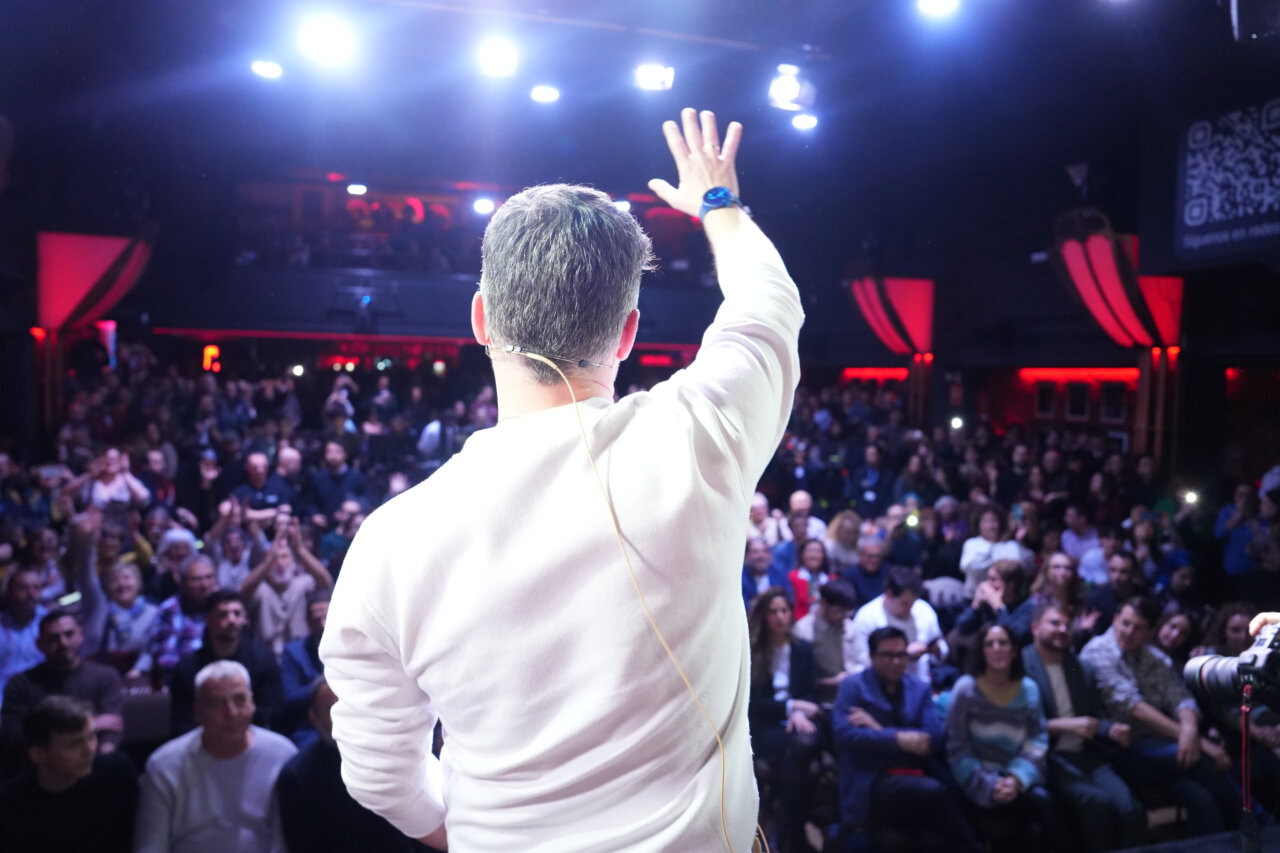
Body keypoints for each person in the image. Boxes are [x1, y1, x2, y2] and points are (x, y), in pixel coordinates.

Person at [320, 109, 803, 851]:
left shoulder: (388, 541)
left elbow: (381, 774)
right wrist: (718, 202)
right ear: (629, 332)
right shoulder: (701, 435)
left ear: (481, 320)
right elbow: (768, 302)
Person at [1080, 597, 1240, 836]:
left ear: (1150, 631)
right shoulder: (1097, 652)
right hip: (1119, 746)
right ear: (1115, 620)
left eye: (1138, 628)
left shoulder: (1154, 657)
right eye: (1125, 623)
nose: (1128, 632)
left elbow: (1180, 697)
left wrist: (1189, 730)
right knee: (1207, 760)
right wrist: (1200, 742)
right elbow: (1134, 707)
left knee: (1202, 799)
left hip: (1160, 744)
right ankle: (1259, 822)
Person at [833, 626, 982, 852]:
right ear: (872, 656)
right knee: (935, 793)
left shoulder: (918, 688)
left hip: (916, 768)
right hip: (871, 776)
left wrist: (878, 729)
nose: (895, 661)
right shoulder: (853, 687)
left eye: (901, 655)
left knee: (953, 792)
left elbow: (934, 736)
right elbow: (845, 734)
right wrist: (899, 739)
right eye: (887, 655)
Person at [135, 660, 296, 853]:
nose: (231, 712)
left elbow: (287, 842)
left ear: (252, 702)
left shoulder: (283, 756)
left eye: (239, 699)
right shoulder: (164, 765)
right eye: (217, 704)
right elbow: (151, 846)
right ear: (197, 711)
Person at [1022, 601, 1145, 852]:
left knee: (1131, 809)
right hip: (1046, 756)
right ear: (1035, 627)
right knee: (1096, 803)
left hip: (1086, 754)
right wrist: (1067, 726)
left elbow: (1093, 717)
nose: (1062, 629)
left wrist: (1111, 729)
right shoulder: (1020, 666)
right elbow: (1016, 726)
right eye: (1055, 623)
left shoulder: (1081, 667)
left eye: (1067, 625)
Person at [946, 622, 1056, 853]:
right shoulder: (965, 689)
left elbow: (1037, 740)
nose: (996, 649)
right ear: (982, 651)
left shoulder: (1030, 689)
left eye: (1003, 643)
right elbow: (957, 746)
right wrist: (988, 784)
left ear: (1014, 650)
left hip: (1016, 779)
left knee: (1043, 806)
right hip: (976, 779)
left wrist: (1016, 779)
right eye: (989, 644)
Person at [277, 677, 421, 852]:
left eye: (348, 706)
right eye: (332, 710)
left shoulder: (394, 753)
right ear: (315, 718)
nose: (344, 717)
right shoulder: (297, 776)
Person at [0, 696, 136, 853]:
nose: (89, 750)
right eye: (73, 744)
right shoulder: (10, 803)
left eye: (92, 736)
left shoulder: (116, 774)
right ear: (38, 755)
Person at [747, 588, 821, 853]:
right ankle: (791, 830)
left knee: (804, 745)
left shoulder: (802, 648)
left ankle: (781, 826)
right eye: (773, 612)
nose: (780, 617)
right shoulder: (753, 652)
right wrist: (791, 707)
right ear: (763, 616)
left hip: (796, 724)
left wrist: (799, 713)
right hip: (765, 726)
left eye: (784, 610)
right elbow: (754, 703)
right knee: (801, 759)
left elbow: (809, 692)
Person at [1, 610, 124, 762]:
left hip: (92, 761)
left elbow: (111, 727)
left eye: (69, 634)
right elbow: (12, 735)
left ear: (81, 635)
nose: (63, 643)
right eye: (54, 638)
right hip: (41, 765)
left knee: (119, 762)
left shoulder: (105, 676)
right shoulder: (22, 684)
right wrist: (86, 725)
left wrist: (104, 761)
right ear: (39, 644)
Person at [169, 590, 283, 735]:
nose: (231, 620)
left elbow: (272, 710)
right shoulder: (188, 666)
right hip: (205, 739)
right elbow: (182, 720)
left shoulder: (263, 659)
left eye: (237, 614)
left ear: (244, 619)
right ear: (208, 619)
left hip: (253, 736)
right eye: (223, 614)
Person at [846, 565, 947, 683]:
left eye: (913, 603)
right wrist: (902, 655)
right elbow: (862, 663)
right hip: (880, 686)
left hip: (920, 683)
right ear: (888, 594)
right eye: (904, 603)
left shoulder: (924, 610)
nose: (910, 608)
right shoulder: (866, 617)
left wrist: (936, 649)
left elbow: (941, 647)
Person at [150, 554, 219, 681]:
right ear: (182, 582)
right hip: (181, 678)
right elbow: (165, 657)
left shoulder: (225, 607)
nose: (204, 585)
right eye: (196, 579)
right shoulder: (170, 608)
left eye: (209, 577)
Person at [791, 578, 855, 702]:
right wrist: (831, 682)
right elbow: (798, 681)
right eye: (839, 612)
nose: (843, 617)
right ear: (824, 604)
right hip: (818, 699)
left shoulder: (849, 625)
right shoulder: (803, 631)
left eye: (847, 612)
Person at [278, 589, 328, 746]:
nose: (323, 624)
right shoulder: (293, 652)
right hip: (310, 728)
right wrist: (324, 685)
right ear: (307, 621)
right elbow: (291, 698)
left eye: (327, 617)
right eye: (316, 619)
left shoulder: (353, 647)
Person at [959, 506, 1035, 598]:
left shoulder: (1010, 544)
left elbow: (1028, 568)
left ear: (1000, 523)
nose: (990, 526)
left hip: (1006, 598)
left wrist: (1020, 541)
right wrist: (991, 545)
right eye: (986, 521)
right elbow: (967, 567)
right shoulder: (972, 543)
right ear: (978, 525)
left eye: (994, 521)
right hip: (976, 597)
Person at [0, 567, 49, 703]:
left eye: (36, 588)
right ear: (9, 592)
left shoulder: (49, 622)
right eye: (23, 588)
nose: (31, 593)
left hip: (41, 694)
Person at [742, 537, 793, 611]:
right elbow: (742, 606)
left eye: (765, 551)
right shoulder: (740, 578)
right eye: (755, 552)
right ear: (746, 556)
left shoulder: (779, 573)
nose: (761, 556)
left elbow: (789, 600)